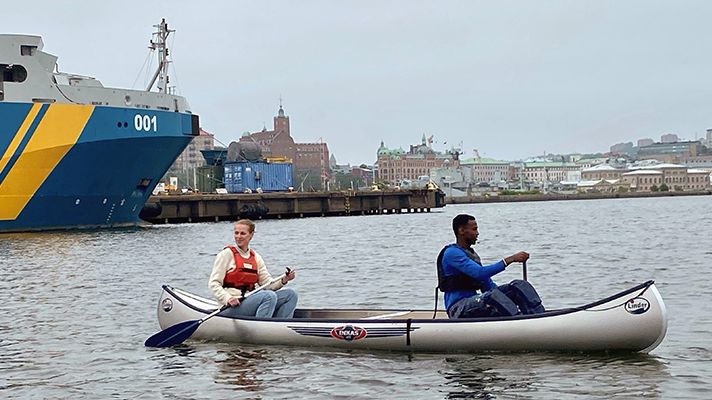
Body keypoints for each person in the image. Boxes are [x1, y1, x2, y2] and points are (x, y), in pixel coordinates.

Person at [437, 214, 545, 319]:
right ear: (461, 231)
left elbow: (488, 286)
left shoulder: (471, 255)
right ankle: (517, 320)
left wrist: (508, 294)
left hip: (476, 301)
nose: (477, 233)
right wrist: (509, 260)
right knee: (492, 296)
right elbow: (479, 273)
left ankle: (538, 315)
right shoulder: (451, 253)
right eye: (474, 229)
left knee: (518, 285)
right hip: (458, 308)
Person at [209, 219, 298, 318]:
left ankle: (279, 327)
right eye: (236, 233)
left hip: (248, 301)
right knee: (268, 296)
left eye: (242, 233)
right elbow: (214, 284)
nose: (238, 237)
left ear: (251, 235)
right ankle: (262, 328)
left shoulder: (256, 257)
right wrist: (228, 298)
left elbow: (268, 285)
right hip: (230, 307)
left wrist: (285, 279)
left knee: (290, 294)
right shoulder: (226, 255)